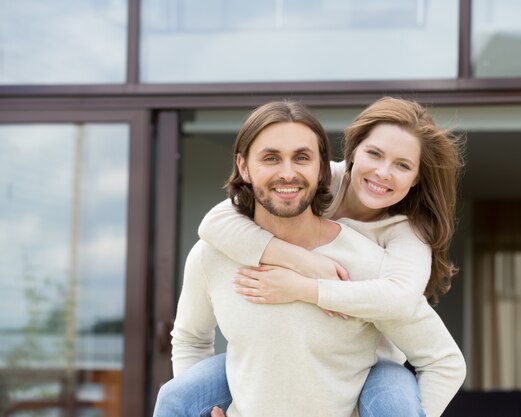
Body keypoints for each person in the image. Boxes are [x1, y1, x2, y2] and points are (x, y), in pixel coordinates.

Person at [153, 100, 465, 417]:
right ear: (352, 154)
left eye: (402, 165)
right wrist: (304, 261)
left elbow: (405, 307)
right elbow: (213, 224)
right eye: (374, 154)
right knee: (175, 399)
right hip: (262, 373)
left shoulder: (394, 245)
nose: (383, 172)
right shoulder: (218, 249)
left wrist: (307, 288)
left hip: (368, 369)